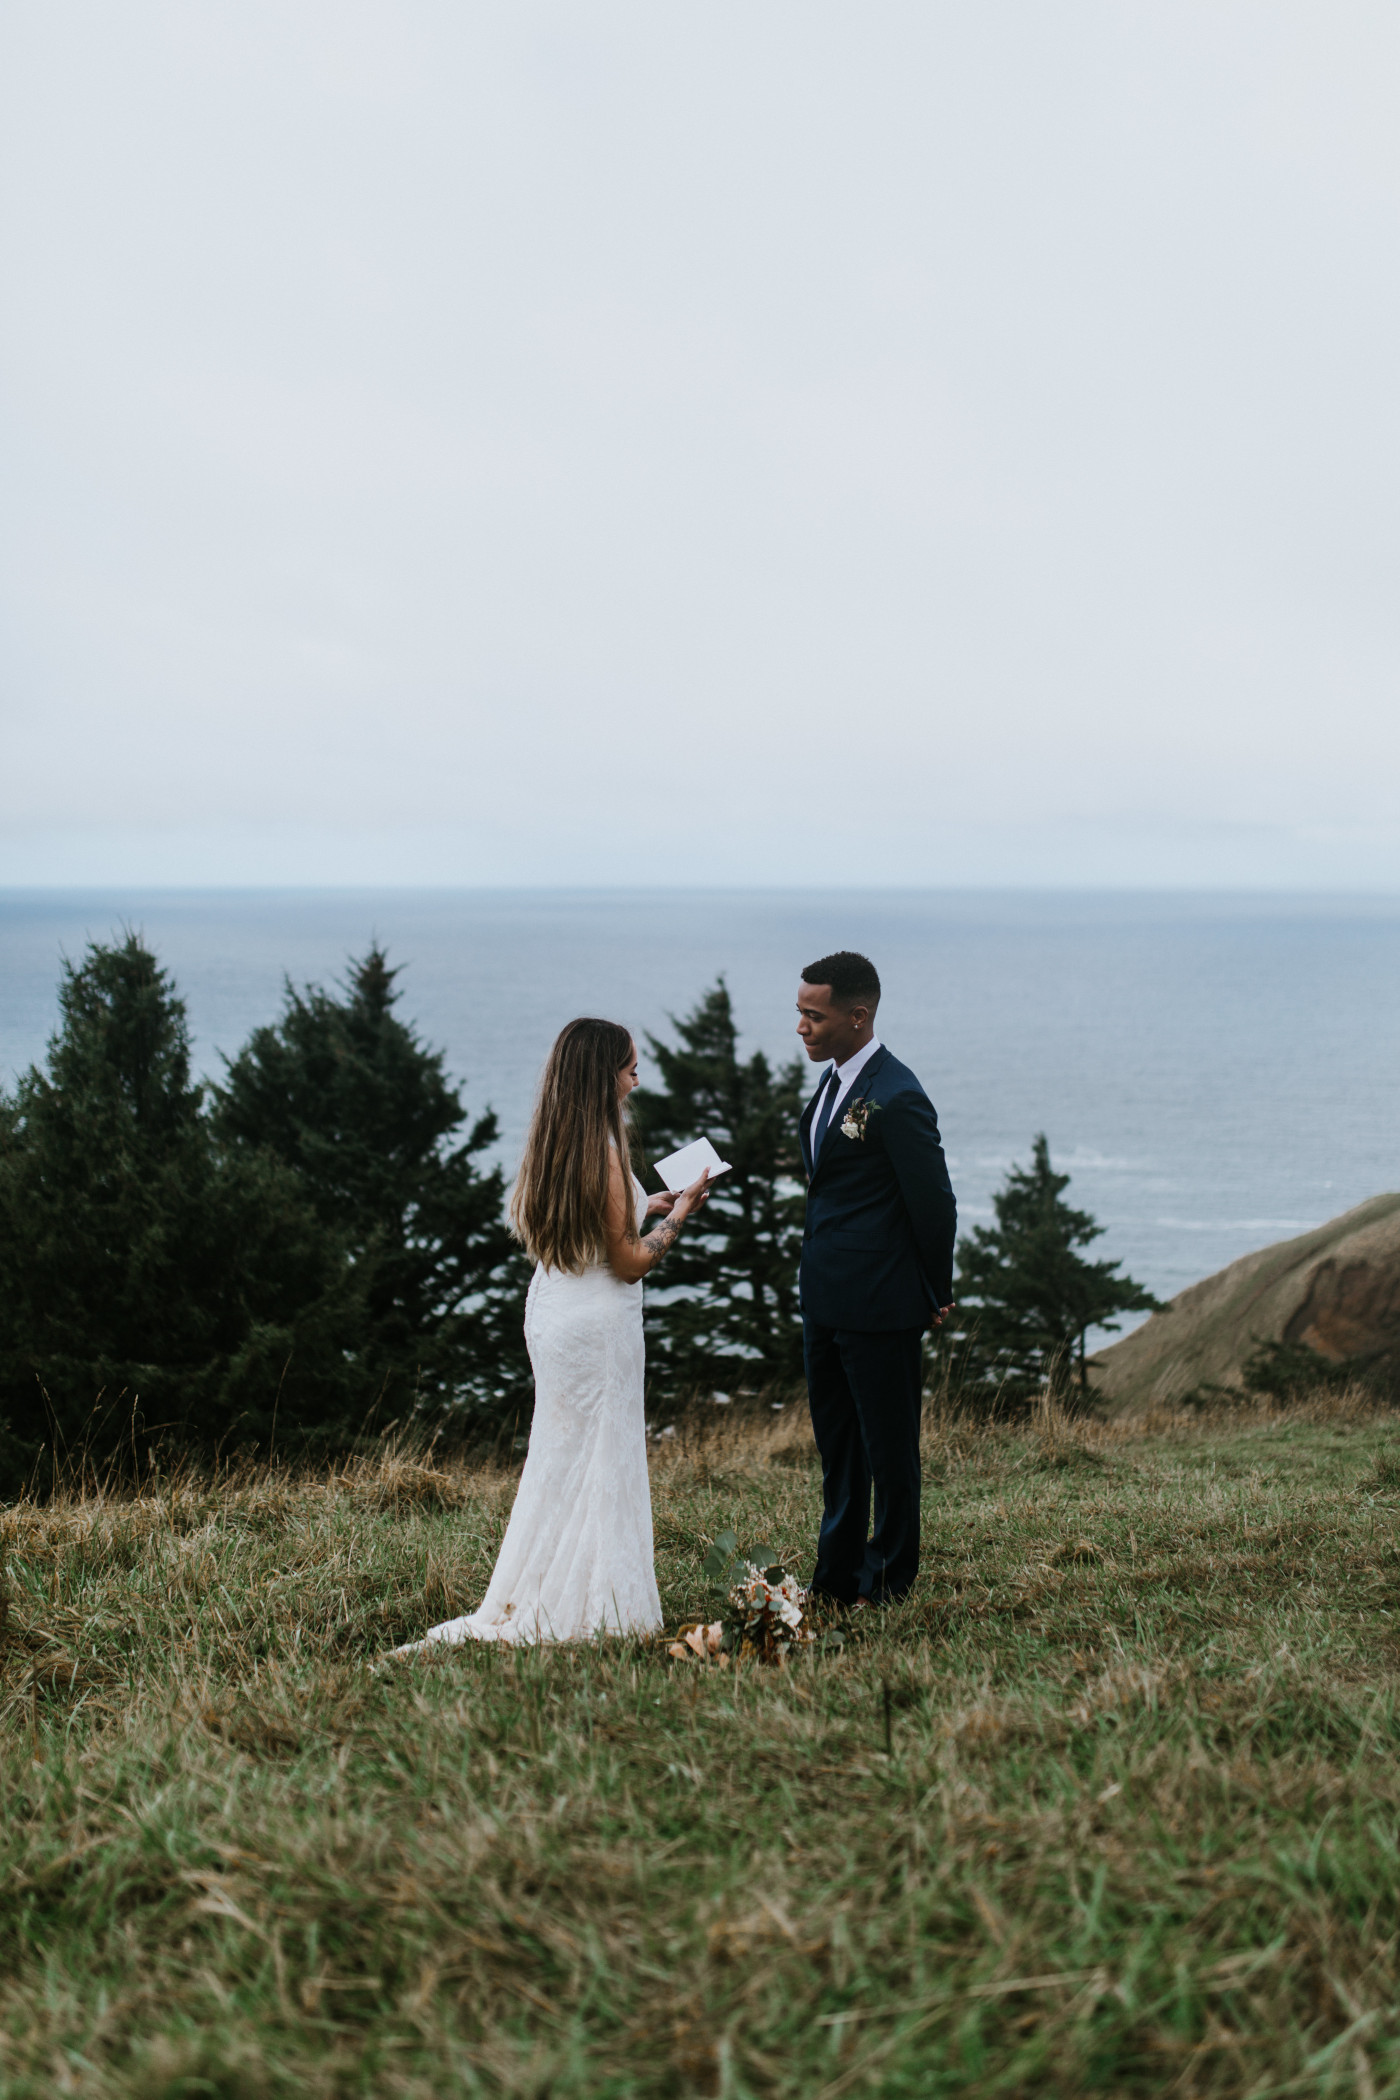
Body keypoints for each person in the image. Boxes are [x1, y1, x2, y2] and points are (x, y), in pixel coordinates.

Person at [392, 1017, 709, 1651]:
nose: (636, 1077)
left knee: (561, 1456)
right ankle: (598, 1605)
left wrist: (640, 1203)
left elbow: (594, 1219)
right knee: (603, 1456)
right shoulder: (608, 1148)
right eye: (628, 1067)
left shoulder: (558, 1140)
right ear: (602, 1077)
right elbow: (628, 1263)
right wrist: (676, 1217)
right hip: (598, 1324)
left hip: (554, 1311)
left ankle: (546, 1582)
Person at [796, 952, 956, 1608]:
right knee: (838, 1449)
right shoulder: (831, 1084)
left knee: (889, 1453)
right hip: (825, 1296)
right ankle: (834, 1577)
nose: (801, 1027)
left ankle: (889, 1580)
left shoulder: (898, 1094)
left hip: (882, 1302)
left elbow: (934, 1202)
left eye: (814, 1015)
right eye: (800, 1014)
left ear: (857, 1016)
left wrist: (935, 1290)